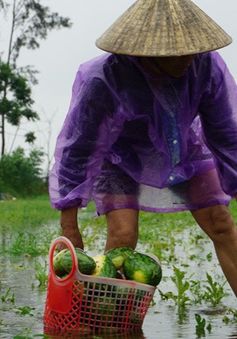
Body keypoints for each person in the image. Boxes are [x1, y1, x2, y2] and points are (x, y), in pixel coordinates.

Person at [49, 0, 237, 296]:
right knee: (123, 235)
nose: (185, 59)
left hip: (182, 150)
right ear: (145, 53)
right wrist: (69, 224)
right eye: (173, 55)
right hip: (119, 158)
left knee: (221, 222)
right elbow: (78, 148)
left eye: (189, 51)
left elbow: (227, 135)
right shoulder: (106, 78)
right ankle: (106, 314)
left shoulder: (205, 65)